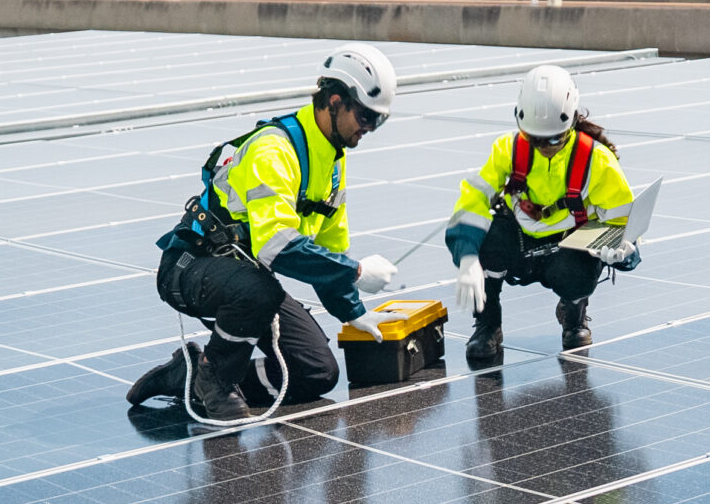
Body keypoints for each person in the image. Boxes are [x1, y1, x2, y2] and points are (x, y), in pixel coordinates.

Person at [126, 44, 401, 424]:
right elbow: (278, 248)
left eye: (379, 121)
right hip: (192, 268)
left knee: (317, 372)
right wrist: (355, 271)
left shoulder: (332, 164)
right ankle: (216, 379)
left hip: (247, 277)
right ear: (335, 101)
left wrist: (351, 311)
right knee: (259, 290)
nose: (369, 129)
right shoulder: (274, 150)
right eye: (367, 116)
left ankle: (189, 377)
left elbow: (328, 249)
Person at [448, 63, 639, 366]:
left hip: (566, 247)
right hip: (518, 244)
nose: (544, 148)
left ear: (573, 123)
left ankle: (573, 314)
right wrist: (467, 256)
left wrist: (623, 249)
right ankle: (487, 326)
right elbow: (471, 203)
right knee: (486, 239)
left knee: (578, 271)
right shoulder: (507, 150)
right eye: (535, 139)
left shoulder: (596, 160)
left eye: (554, 139)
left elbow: (620, 219)